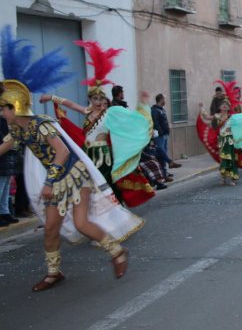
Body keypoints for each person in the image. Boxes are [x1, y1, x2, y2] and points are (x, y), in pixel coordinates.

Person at [0, 26, 143, 291]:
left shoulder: (42, 124)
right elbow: (5, 145)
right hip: (56, 181)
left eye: (3, 108)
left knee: (81, 223)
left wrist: (47, 182)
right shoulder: (18, 129)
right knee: (51, 227)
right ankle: (54, 273)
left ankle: (117, 252)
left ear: (15, 106)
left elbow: (63, 152)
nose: (1, 113)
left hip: (75, 176)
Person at [41, 41, 154, 208]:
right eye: (95, 99)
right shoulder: (88, 112)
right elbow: (71, 104)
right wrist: (51, 97)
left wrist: (143, 104)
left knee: (105, 184)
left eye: (101, 99)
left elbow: (131, 119)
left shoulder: (110, 113)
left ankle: (116, 210)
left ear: (105, 100)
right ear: (90, 100)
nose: (98, 102)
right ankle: (101, 214)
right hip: (89, 154)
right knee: (90, 186)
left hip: (103, 156)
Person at [198, 81, 242, 185]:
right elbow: (206, 117)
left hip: (230, 140)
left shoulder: (232, 117)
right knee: (223, 160)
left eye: (226, 105)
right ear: (220, 107)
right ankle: (223, 178)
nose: (224, 106)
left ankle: (233, 178)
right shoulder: (217, 115)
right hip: (221, 140)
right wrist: (201, 107)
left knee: (231, 159)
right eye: (223, 105)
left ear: (229, 107)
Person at [151, 94, 181, 176]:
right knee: (161, 152)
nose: (165, 101)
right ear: (161, 100)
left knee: (163, 153)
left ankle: (164, 172)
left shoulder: (162, 110)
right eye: (164, 99)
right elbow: (155, 123)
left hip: (165, 134)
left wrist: (167, 130)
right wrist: (160, 132)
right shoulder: (154, 110)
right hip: (160, 135)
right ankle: (169, 163)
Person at [0, 115, 19, 227]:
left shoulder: (4, 120)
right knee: (1, 187)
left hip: (7, 157)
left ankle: (5, 212)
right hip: (3, 157)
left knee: (5, 188)